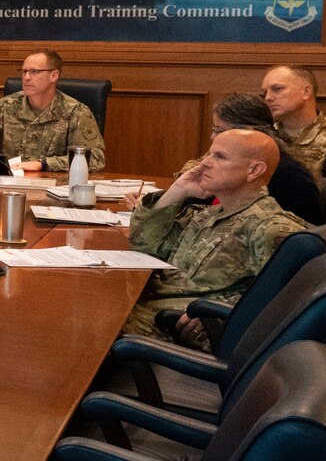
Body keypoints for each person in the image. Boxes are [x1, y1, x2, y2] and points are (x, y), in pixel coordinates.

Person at [124, 128, 307, 344]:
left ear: (254, 170)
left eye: (219, 157)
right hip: (150, 305)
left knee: (92, 327)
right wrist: (178, 190)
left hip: (180, 324)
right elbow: (143, 245)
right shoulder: (209, 214)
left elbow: (289, 297)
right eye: (208, 154)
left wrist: (218, 311)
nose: (204, 164)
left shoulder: (270, 226)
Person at [189, 92, 323, 223]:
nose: (212, 136)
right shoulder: (227, 164)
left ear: (248, 132)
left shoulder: (289, 176)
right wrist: (178, 191)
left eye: (220, 130)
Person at [0, 49, 106, 173]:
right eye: (24, 71)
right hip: (10, 185)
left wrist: (42, 164)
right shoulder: (6, 105)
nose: (26, 77)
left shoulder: (76, 112)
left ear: (54, 76)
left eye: (34, 72)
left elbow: (95, 158)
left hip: (54, 188)